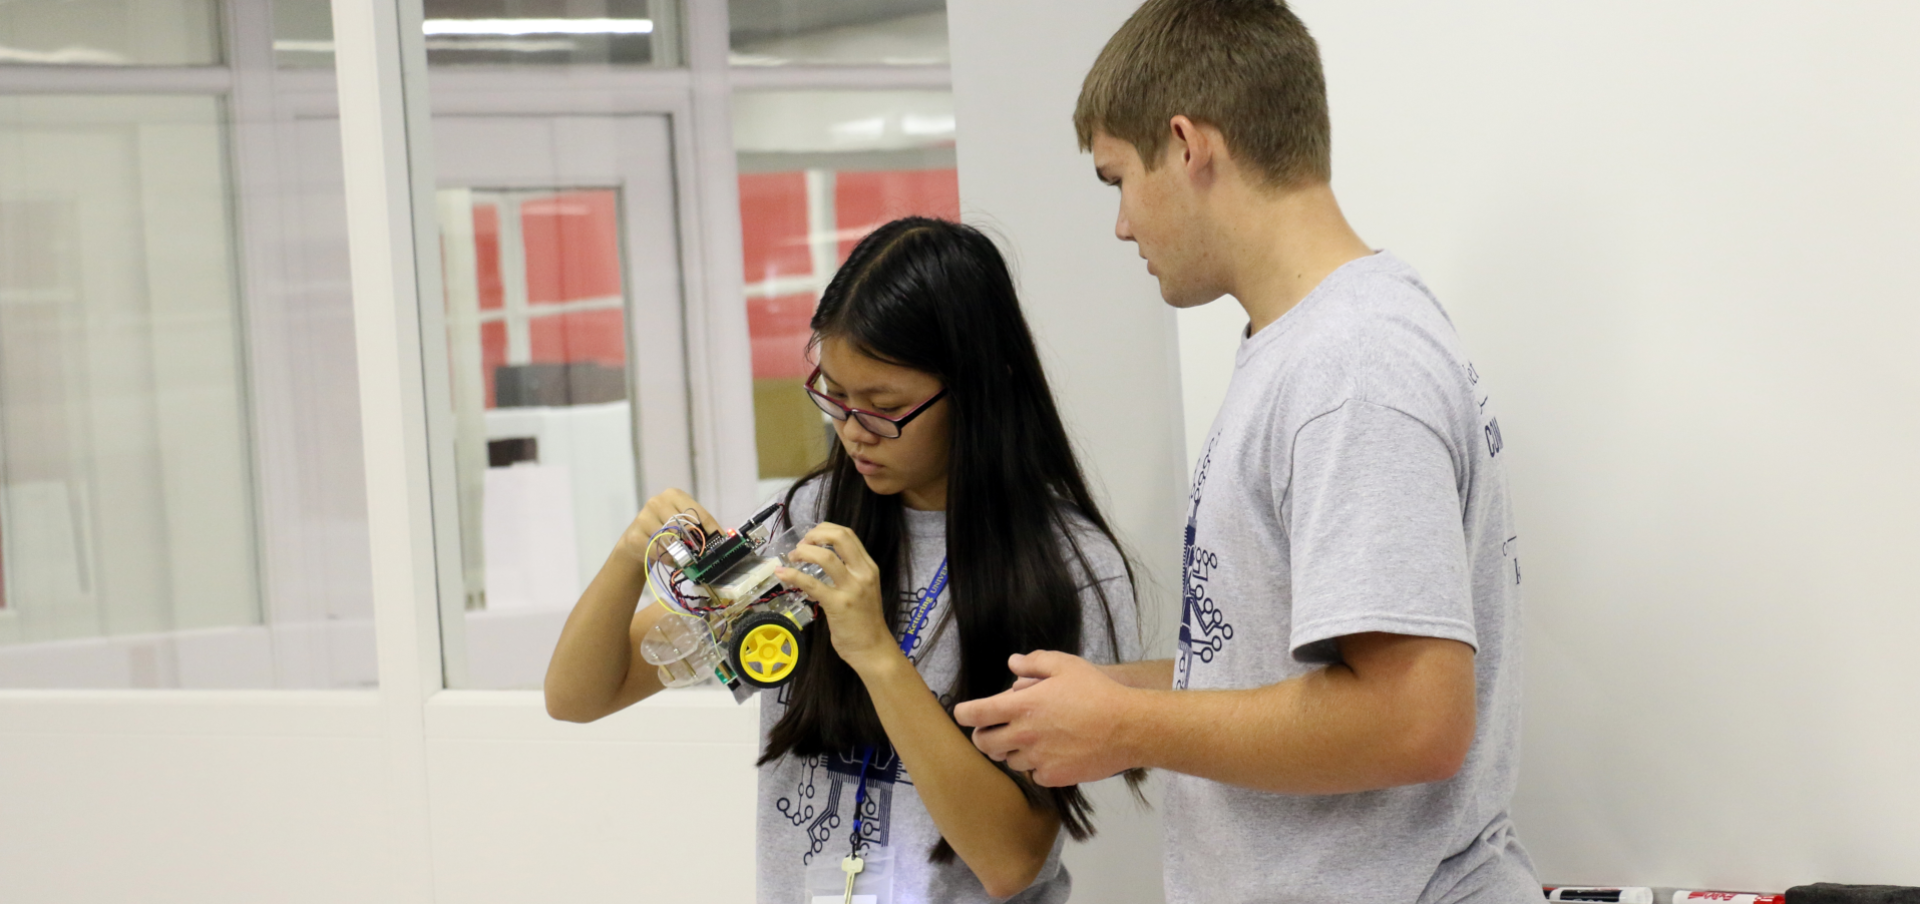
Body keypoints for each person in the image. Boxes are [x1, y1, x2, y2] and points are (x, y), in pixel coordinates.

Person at [953, 2, 1541, 902]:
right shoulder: (1312, 346)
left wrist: (1130, 726)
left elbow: (1413, 721)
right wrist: (1102, 698)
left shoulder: (1351, 365)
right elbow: (1276, 674)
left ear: (1188, 146)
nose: (1120, 225)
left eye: (1118, 180)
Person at [543, 217, 1140, 903]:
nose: (854, 431)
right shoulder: (804, 523)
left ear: (979, 388)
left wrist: (877, 653)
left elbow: (1011, 862)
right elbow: (578, 696)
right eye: (835, 397)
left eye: (885, 407)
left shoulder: (1065, 569)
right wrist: (631, 558)